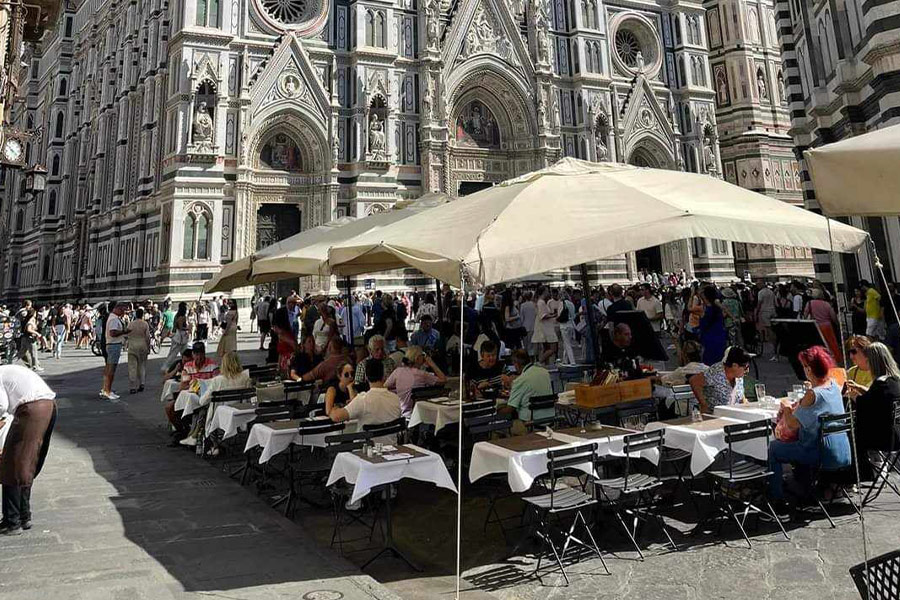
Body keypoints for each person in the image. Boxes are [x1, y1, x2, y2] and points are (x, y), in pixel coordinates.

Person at [768, 346, 851, 503]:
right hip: (840, 448)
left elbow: (792, 424)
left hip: (819, 452)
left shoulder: (813, 394)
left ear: (809, 369)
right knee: (801, 439)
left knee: (773, 448)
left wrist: (786, 408)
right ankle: (804, 488)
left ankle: (776, 500)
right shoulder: (834, 385)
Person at [0, 365, 57, 536]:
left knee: (12, 464)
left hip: (33, 409)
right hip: (49, 406)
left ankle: (12, 521)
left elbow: (1, 407)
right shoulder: (7, 370)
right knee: (27, 463)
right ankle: (24, 516)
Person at [846, 342, 900, 480]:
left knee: (849, 435)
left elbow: (866, 406)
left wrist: (853, 396)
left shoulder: (880, 384)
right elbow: (876, 399)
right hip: (896, 433)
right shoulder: (894, 381)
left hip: (883, 438)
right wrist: (860, 388)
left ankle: (855, 477)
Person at [182, 351, 251, 450]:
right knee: (205, 410)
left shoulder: (218, 380)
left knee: (203, 409)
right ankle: (194, 436)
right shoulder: (245, 378)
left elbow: (202, 401)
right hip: (239, 412)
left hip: (220, 414)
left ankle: (201, 439)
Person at [329, 359, 402, 443]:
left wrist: (334, 408)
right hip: (391, 449)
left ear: (366, 377)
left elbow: (336, 417)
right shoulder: (396, 399)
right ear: (384, 376)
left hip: (365, 451)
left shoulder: (362, 399)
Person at [164, 342, 218, 442]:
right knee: (169, 408)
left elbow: (216, 382)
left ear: (204, 354)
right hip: (192, 396)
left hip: (207, 398)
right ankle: (183, 430)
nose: (199, 358)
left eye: (201, 355)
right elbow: (183, 385)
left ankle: (191, 433)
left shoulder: (212, 365)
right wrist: (195, 386)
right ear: (193, 355)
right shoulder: (188, 366)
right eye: (197, 355)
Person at [499, 350, 554, 435]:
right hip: (550, 421)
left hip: (529, 425)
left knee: (496, 428)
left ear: (516, 364)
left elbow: (510, 408)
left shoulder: (521, 380)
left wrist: (496, 412)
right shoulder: (545, 372)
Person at [386, 345, 447, 416]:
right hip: (419, 413)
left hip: (401, 413)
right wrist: (432, 363)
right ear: (417, 358)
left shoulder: (398, 371)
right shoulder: (422, 374)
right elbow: (443, 380)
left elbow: (385, 387)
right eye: (422, 355)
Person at [689, 346, 750, 413]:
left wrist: (744, 401)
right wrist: (703, 404)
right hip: (715, 415)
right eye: (745, 367)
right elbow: (694, 381)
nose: (747, 370)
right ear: (734, 365)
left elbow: (739, 393)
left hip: (734, 414)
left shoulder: (738, 375)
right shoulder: (716, 372)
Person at [803, 288, 842, 362]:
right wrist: (837, 324)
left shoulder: (810, 303)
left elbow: (805, 314)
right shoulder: (826, 304)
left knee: (817, 343)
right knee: (831, 342)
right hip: (827, 326)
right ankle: (835, 358)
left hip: (816, 326)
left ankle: (819, 358)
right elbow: (833, 316)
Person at [100, 303, 127, 400]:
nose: (123, 312)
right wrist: (124, 332)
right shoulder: (114, 319)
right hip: (114, 345)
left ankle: (105, 389)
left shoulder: (113, 318)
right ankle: (107, 391)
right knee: (111, 369)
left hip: (112, 345)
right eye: (122, 310)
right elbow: (113, 333)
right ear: (116, 309)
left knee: (109, 368)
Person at [125, 307, 152, 394]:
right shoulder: (145, 324)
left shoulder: (131, 324)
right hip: (142, 345)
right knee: (142, 365)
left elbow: (126, 335)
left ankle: (133, 386)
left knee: (132, 367)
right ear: (142, 315)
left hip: (132, 346)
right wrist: (149, 347)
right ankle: (142, 383)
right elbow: (148, 337)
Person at [698, 286, 727, 365]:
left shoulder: (708, 310)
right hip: (720, 337)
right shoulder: (717, 309)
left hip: (710, 338)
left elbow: (703, 325)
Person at [531, 287, 558, 365]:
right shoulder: (541, 303)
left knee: (546, 348)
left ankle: (545, 364)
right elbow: (543, 316)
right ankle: (539, 362)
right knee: (553, 348)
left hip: (545, 327)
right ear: (543, 292)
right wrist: (553, 315)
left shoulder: (541, 302)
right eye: (547, 291)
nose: (548, 292)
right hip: (546, 328)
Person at [162, 302, 190, 372]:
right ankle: (165, 367)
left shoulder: (177, 315)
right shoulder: (182, 317)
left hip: (178, 337)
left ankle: (187, 365)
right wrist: (188, 328)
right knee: (173, 354)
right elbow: (180, 327)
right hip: (180, 338)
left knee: (184, 353)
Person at [17, 309, 44, 373]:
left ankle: (13, 362)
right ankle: (35, 366)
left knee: (22, 352)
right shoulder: (30, 321)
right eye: (35, 313)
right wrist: (37, 333)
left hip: (24, 338)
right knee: (33, 353)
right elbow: (29, 329)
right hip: (30, 338)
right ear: (33, 314)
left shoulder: (26, 320)